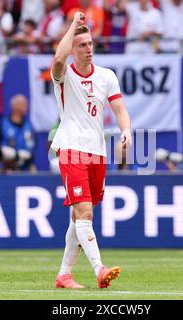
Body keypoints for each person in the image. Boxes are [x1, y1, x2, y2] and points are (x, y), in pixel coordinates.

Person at [50, 12, 132, 289]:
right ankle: (99, 269)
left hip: (97, 152)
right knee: (85, 212)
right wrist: (73, 25)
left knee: (78, 217)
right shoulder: (62, 76)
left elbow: (119, 107)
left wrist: (126, 130)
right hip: (71, 149)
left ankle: (64, 275)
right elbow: (58, 60)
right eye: (82, 45)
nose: (88, 49)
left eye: (90, 44)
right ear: (73, 49)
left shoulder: (106, 76)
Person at [0, 94, 36, 172]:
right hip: (7, 166)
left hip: (25, 167)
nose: (26, 106)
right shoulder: (3, 124)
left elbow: (32, 147)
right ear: (15, 106)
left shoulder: (29, 125)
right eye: (24, 104)